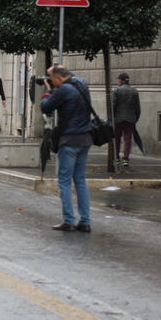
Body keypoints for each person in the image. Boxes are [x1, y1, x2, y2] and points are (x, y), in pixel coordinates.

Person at [41, 66, 93, 233]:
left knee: (64, 181)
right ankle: (85, 221)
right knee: (80, 180)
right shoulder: (82, 83)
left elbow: (46, 107)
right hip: (85, 139)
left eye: (51, 78)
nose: (51, 81)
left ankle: (69, 220)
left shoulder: (62, 90)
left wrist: (49, 91)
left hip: (69, 140)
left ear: (58, 78)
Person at [112, 72, 140, 167]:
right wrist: (135, 118)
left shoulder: (116, 91)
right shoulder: (134, 91)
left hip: (118, 119)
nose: (117, 81)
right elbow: (137, 107)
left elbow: (113, 105)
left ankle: (117, 158)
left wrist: (112, 117)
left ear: (121, 80)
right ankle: (126, 159)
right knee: (128, 139)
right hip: (130, 119)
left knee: (117, 139)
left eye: (118, 79)